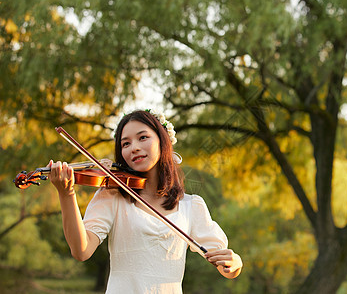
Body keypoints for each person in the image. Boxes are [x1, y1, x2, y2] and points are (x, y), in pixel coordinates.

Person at [47, 109, 243, 293]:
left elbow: (226, 265)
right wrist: (67, 194)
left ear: (163, 141)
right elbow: (81, 251)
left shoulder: (191, 206)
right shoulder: (112, 195)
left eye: (143, 137)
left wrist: (235, 263)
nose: (135, 148)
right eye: (126, 144)